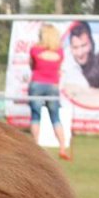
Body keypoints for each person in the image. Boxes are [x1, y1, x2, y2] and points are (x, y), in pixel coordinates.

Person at [28, 23, 70, 161]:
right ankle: (63, 147)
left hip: (37, 84)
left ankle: (35, 147)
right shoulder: (59, 53)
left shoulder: (35, 50)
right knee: (55, 117)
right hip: (52, 85)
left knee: (35, 116)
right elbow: (58, 69)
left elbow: (32, 66)